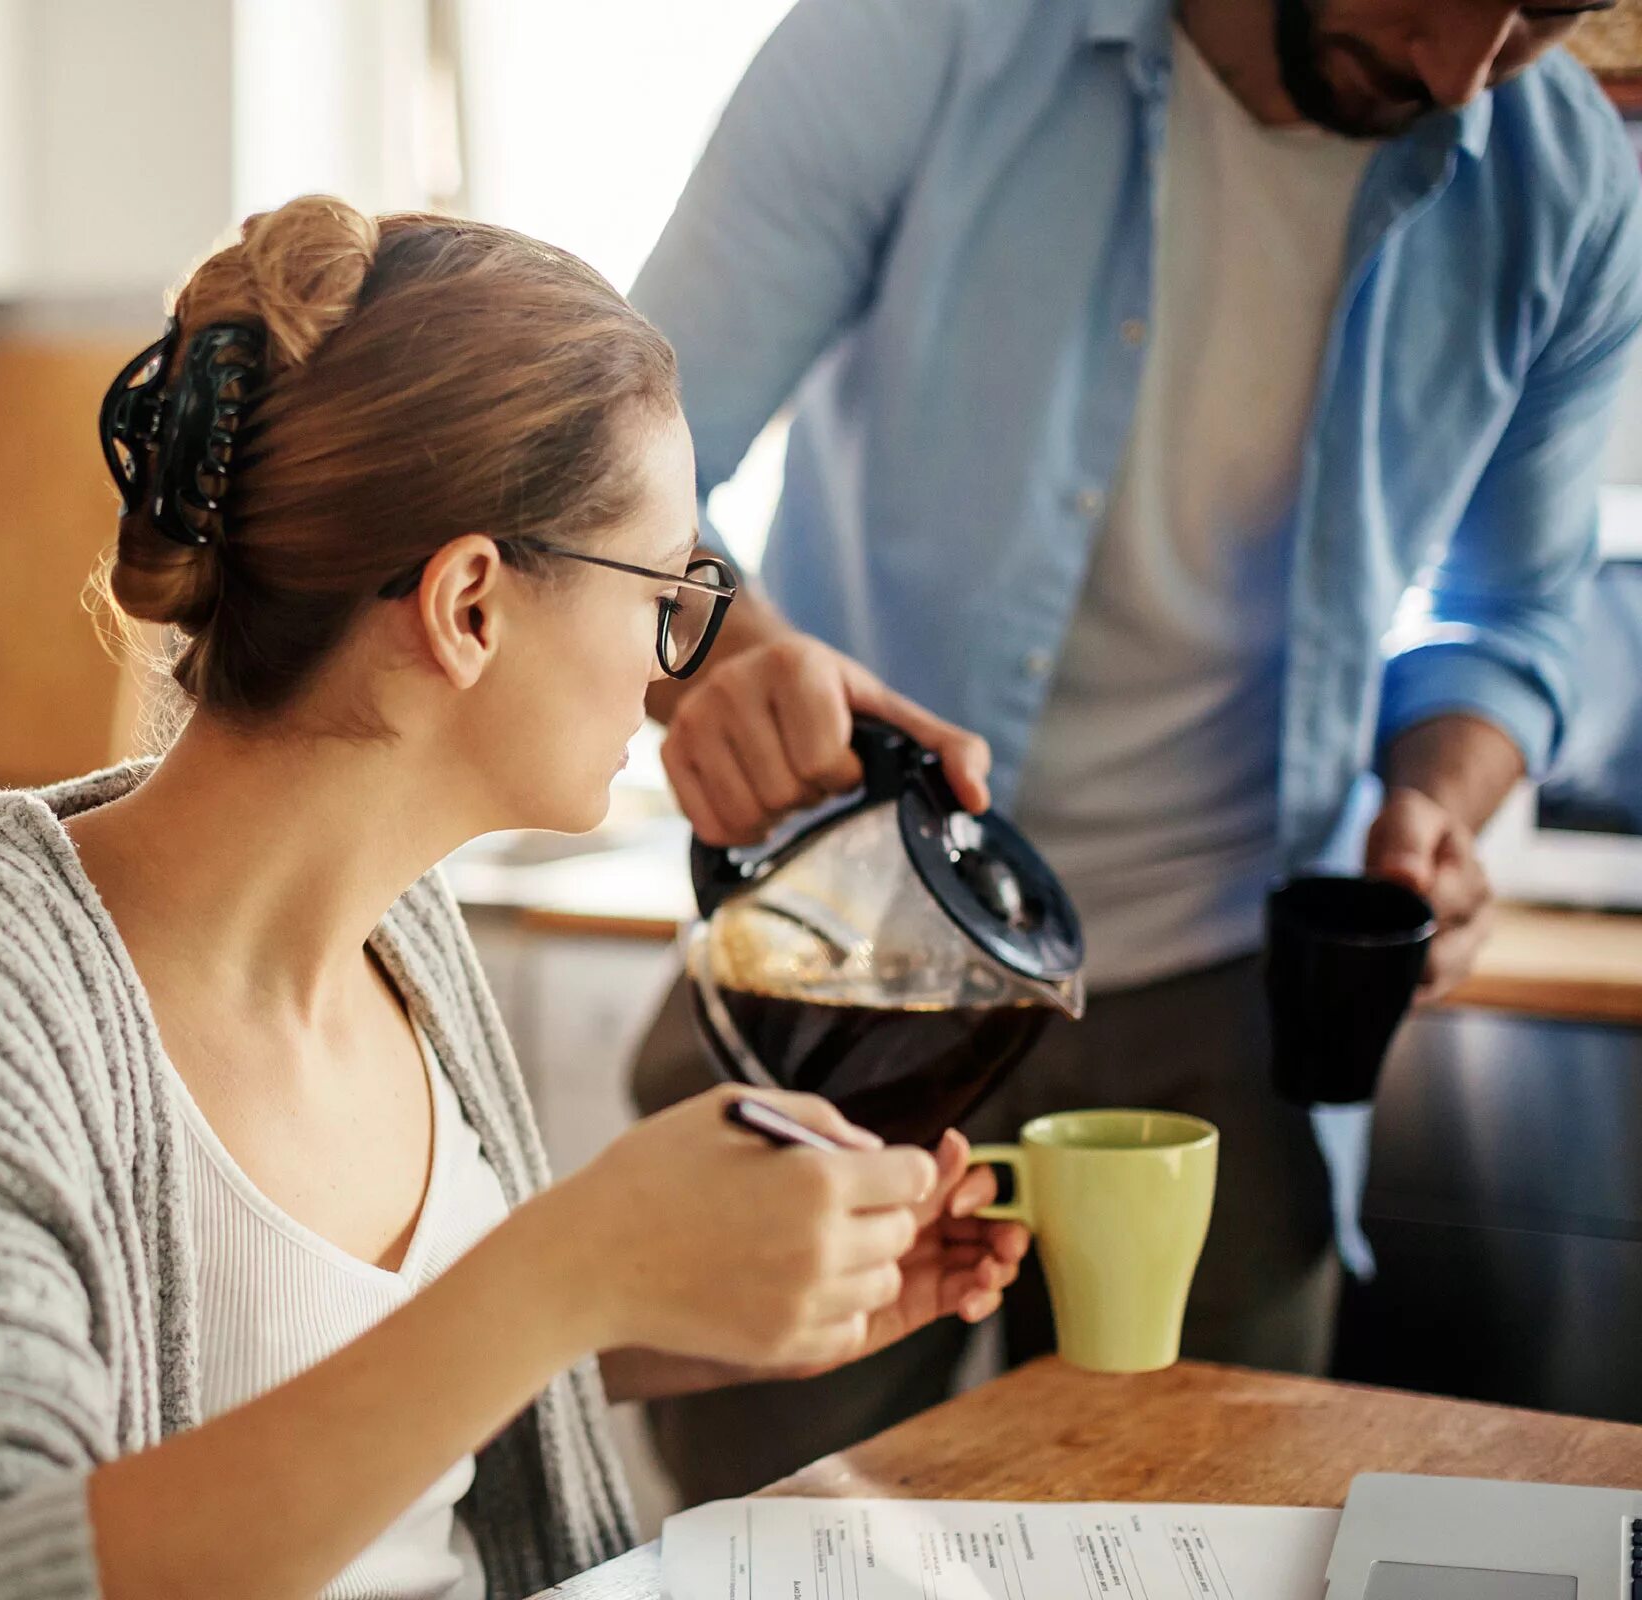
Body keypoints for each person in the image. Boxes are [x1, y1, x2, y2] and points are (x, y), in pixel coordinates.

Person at [0, 195, 1030, 1600]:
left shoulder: (400, 933)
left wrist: (714, 1297)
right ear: (471, 605)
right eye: (664, 589)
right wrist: (564, 1268)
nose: (678, 658)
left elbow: (364, 1356)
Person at [623, 0, 1642, 1504]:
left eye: (1539, 18)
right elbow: (617, 453)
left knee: (1206, 1525)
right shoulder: (921, 38)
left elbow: (1514, 614)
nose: (1459, 74)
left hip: (1238, 1024)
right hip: (854, 979)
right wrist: (730, 655)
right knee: (779, 1531)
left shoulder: (1562, 182)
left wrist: (1439, 790)